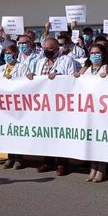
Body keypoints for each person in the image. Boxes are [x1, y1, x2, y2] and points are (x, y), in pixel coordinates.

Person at [28, 38, 78, 176]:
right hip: (43, 103)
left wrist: (59, 76)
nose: (46, 50)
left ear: (57, 49)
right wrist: (32, 76)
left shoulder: (66, 60)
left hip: (60, 103)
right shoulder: (40, 61)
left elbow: (71, 80)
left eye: (49, 48)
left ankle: (62, 163)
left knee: (60, 133)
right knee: (46, 133)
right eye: (45, 48)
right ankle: (48, 161)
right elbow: (36, 78)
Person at [75, 43, 108, 182]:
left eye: (97, 53)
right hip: (88, 109)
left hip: (104, 109)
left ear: (103, 54)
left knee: (101, 140)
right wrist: (75, 77)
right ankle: (92, 167)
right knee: (91, 140)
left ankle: (101, 168)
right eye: (92, 53)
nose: (94, 56)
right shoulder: (85, 69)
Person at [0, 44, 29, 169]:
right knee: (7, 132)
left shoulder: (22, 67)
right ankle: (10, 157)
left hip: (17, 105)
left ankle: (19, 158)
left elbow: (26, 84)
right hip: (4, 105)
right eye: (6, 53)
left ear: (16, 54)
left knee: (17, 132)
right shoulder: (0, 69)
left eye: (10, 53)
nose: (8, 55)